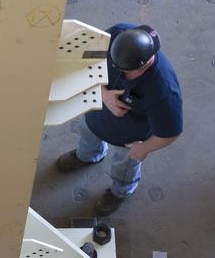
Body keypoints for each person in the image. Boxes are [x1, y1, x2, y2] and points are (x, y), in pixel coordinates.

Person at [54, 23, 182, 216]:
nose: (118, 71)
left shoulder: (163, 91)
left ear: (144, 64)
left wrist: (144, 148)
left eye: (125, 70)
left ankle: (121, 191)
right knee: (87, 131)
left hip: (128, 139)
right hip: (96, 113)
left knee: (124, 167)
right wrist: (103, 94)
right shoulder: (117, 35)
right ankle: (89, 155)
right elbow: (86, 61)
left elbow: (170, 133)